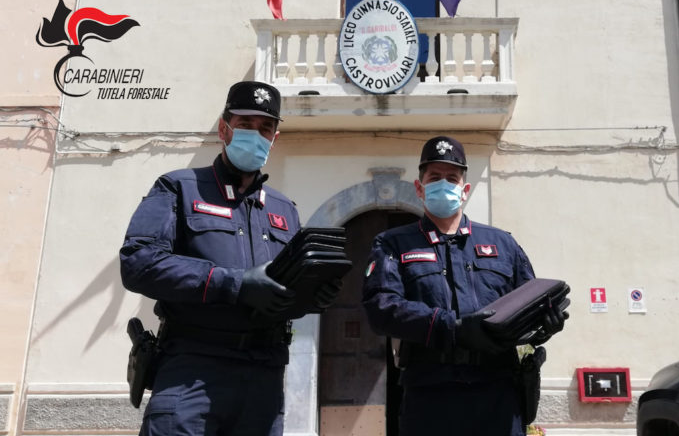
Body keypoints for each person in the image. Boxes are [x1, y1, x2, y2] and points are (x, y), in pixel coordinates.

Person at [120, 81, 338, 436]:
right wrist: (233, 283)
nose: (256, 134)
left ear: (274, 138)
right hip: (192, 370)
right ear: (224, 128)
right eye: (245, 124)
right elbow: (138, 262)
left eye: (265, 127)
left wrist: (308, 297)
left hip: (263, 381)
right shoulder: (179, 188)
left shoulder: (285, 210)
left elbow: (280, 289)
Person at [361, 136, 566, 436]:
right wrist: (451, 328)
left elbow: (529, 302)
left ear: (464, 189)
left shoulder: (503, 244)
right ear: (419, 187)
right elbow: (382, 307)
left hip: (498, 395)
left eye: (451, 178)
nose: (443, 184)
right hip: (431, 395)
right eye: (434, 177)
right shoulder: (393, 243)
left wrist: (544, 326)